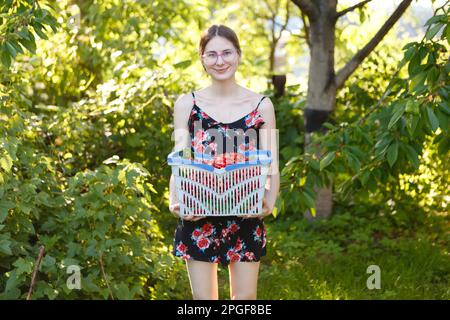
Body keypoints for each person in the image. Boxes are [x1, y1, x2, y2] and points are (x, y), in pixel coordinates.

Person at [168, 24, 279, 300]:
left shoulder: (261, 105)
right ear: (202, 59)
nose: (220, 61)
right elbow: (179, 159)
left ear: (238, 55)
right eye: (212, 54)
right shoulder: (187, 104)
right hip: (199, 210)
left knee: (244, 301)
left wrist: (269, 198)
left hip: (244, 211)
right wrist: (175, 202)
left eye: (227, 53)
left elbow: (273, 163)